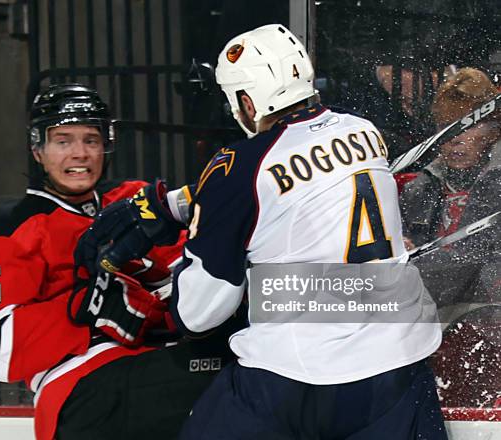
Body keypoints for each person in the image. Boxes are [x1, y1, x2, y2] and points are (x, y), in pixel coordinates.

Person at [83, 24, 447, 439]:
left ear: (247, 99)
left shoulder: (235, 166)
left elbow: (199, 315)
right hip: (398, 366)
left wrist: (192, 249)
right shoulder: (363, 131)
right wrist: (178, 203)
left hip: (297, 378)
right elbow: (294, 186)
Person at [0, 83, 237, 440]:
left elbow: (189, 271)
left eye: (91, 140)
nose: (80, 154)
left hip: (158, 361)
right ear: (37, 149)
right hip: (83, 388)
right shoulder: (3, 227)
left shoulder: (133, 201)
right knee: (239, 380)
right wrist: (93, 308)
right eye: (63, 141)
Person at [400, 68, 501, 310]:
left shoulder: (497, 185)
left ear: (493, 130)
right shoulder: (419, 188)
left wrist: (414, 261)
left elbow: (477, 264)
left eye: (466, 127)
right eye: (446, 126)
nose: (454, 139)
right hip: (428, 311)